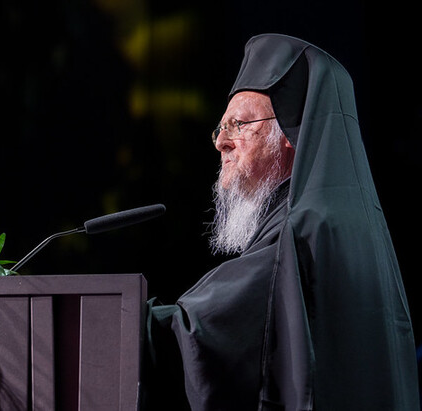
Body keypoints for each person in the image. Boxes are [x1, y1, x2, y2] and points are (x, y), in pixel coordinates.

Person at [141, 34, 419, 410]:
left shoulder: (301, 230)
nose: (221, 142)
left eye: (238, 125)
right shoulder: (353, 227)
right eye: (220, 128)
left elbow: (197, 335)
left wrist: (111, 321)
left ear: (291, 132)